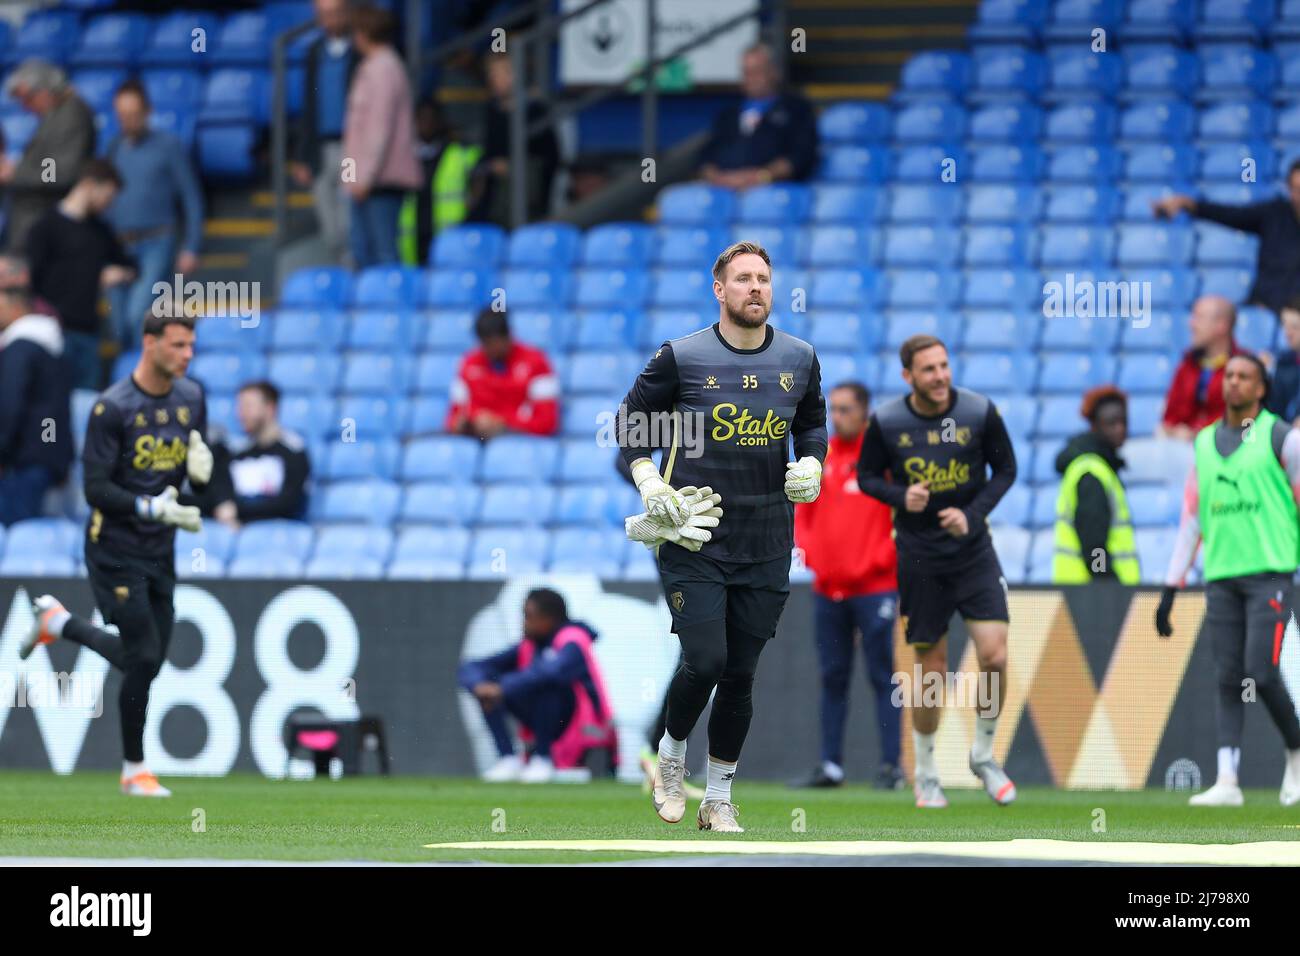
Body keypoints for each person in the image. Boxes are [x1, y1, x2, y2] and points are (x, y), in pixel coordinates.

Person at [615, 240, 828, 833]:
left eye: (763, 278)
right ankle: (670, 754)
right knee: (707, 658)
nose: (755, 288)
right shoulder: (681, 358)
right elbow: (631, 421)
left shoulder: (800, 357)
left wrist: (813, 465)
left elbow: (812, 425)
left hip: (766, 541)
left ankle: (718, 798)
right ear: (719, 289)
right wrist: (647, 478)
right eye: (742, 279)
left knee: (741, 673)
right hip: (692, 534)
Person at [19, 310, 212, 799]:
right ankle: (134, 769)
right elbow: (96, 489)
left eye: (191, 345)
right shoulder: (113, 408)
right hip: (114, 548)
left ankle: (59, 625)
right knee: (143, 655)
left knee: (147, 661)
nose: (187, 355)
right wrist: (153, 507)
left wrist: (205, 471)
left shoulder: (192, 396)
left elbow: (195, 467)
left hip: (160, 550)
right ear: (149, 343)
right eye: (178, 345)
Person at [856, 334, 1018, 809]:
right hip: (920, 558)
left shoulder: (978, 412)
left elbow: (1006, 470)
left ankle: (984, 755)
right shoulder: (886, 421)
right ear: (908, 376)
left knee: (995, 655)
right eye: (929, 369)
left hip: (973, 553)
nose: (941, 376)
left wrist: (972, 513)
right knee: (932, 673)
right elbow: (866, 478)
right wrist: (900, 497)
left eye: (944, 366)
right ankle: (925, 772)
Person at [1157, 354, 1300, 808]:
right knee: (1226, 675)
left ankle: (1296, 752)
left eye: (1245, 377)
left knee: (1260, 671)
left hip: (1270, 573)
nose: (1234, 383)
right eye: (1230, 376)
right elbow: (1193, 517)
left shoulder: (1283, 438)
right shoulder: (1202, 443)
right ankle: (1227, 780)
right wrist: (1170, 587)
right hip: (1221, 576)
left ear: (1261, 389)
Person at [791, 381, 902, 790]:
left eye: (845, 409)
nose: (837, 417)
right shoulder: (823, 457)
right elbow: (804, 512)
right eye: (832, 410)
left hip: (876, 590)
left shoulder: (884, 457)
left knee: (882, 676)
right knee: (832, 676)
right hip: (829, 590)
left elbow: (902, 516)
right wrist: (810, 553)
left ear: (865, 412)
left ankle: (892, 766)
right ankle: (831, 766)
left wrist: (878, 561)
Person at [458, 588, 617, 784]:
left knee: (545, 683)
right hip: (545, 724)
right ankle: (508, 758)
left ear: (549, 618)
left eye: (529, 616)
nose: (524, 623)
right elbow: (472, 667)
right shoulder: (529, 645)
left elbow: (553, 672)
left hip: (585, 730)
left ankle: (543, 758)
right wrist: (479, 685)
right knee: (488, 687)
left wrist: (502, 688)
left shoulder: (574, 639)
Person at [104, 79, 204, 348]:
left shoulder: (168, 145)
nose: (128, 121)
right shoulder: (113, 149)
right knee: (118, 324)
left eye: (134, 114)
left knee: (139, 313)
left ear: (147, 112)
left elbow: (191, 197)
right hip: (119, 246)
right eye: (122, 115)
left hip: (157, 241)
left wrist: (191, 246)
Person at [26, 158, 135, 391]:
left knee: (85, 405)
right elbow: (31, 280)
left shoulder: (100, 230)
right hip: (53, 331)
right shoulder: (45, 227)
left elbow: (130, 265)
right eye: (107, 195)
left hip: (88, 332)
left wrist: (119, 273)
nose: (108, 203)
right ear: (88, 184)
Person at [1152, 159, 1300, 313]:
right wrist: (1191, 205)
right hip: (1265, 306)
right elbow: (1232, 215)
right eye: (1296, 189)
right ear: (1289, 189)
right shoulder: (1274, 213)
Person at [342, 4, 422, 268]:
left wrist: (363, 178)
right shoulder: (373, 67)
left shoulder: (384, 69)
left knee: (383, 252)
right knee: (363, 250)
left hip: (380, 180)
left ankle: (389, 307)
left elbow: (379, 130)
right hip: (365, 180)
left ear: (364, 33)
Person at [0, 256, 72, 526]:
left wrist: (2, 451)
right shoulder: (51, 346)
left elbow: (10, 404)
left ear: (14, 305)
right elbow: (50, 415)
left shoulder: (21, 349)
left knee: (14, 532)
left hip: (26, 459)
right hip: (48, 455)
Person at [0, 60, 95, 253]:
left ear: (44, 91)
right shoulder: (56, 116)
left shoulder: (70, 116)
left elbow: (54, 174)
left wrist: (15, 173)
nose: (25, 107)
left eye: (27, 98)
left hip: (45, 228)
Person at [697, 43, 819, 188]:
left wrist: (761, 176)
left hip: (773, 191)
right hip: (723, 190)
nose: (751, 79)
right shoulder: (728, 114)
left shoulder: (796, 109)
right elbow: (705, 157)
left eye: (757, 71)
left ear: (774, 72)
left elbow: (801, 156)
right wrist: (718, 179)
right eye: (746, 73)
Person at [1052, 385, 1140, 584]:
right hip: (1090, 597)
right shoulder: (1092, 473)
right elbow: (1094, 545)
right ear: (1095, 426)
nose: (1120, 429)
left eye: (1123, 421)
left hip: (1085, 594)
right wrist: (1106, 582)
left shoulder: (1099, 467)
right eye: (1111, 423)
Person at [291, 0, 356, 264]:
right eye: (323, 15)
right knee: (329, 224)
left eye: (335, 13)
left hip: (352, 147)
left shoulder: (360, 51)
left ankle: (356, 279)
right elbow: (308, 106)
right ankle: (339, 275)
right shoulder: (315, 52)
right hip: (321, 148)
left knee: (350, 219)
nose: (329, 20)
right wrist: (302, 155)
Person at [467, 51, 560, 226]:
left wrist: (514, 168)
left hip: (525, 197)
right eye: (491, 74)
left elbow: (550, 157)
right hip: (493, 198)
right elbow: (488, 152)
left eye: (499, 73)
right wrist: (488, 167)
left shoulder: (535, 110)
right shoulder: (492, 111)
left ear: (515, 75)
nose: (493, 79)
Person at [204, 380, 311, 529]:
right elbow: (220, 495)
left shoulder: (294, 451)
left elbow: (288, 503)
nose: (241, 414)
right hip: (236, 533)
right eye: (240, 407)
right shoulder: (234, 453)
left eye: (248, 406)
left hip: (280, 536)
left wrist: (237, 511)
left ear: (270, 408)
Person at [447, 307, 559, 438]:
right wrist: (461, 425)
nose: (488, 350)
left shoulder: (537, 363)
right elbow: (453, 419)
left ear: (508, 336)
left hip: (517, 444)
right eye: (484, 343)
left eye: (492, 343)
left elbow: (547, 422)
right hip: (475, 442)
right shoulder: (468, 364)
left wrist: (504, 425)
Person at [397, 99, 481, 266]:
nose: (425, 124)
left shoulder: (459, 153)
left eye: (431, 118)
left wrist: (471, 205)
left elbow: (482, 174)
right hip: (411, 245)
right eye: (421, 119)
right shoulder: (402, 156)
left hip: (449, 240)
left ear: (440, 122)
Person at [1160, 295, 1246, 439]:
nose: (1191, 324)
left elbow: (1242, 420)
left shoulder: (1245, 368)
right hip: (1183, 450)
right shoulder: (1186, 365)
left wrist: (1198, 433)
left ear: (1221, 325)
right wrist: (1174, 430)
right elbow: (1169, 418)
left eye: (1199, 318)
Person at [1266, 297, 1300, 425]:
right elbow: (1275, 409)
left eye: (1295, 327)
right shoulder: (1284, 362)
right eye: (1284, 325)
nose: (1287, 333)